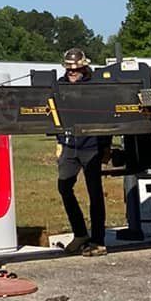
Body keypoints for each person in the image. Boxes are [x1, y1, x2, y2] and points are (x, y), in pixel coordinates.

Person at [55, 47, 107, 256]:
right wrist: (59, 141)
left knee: (95, 192)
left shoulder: (95, 87)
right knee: (64, 186)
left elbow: (105, 117)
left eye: (75, 69)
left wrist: (105, 146)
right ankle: (80, 234)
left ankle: (98, 240)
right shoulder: (60, 85)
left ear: (84, 68)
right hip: (69, 145)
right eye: (69, 69)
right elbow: (54, 114)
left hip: (92, 146)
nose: (72, 73)